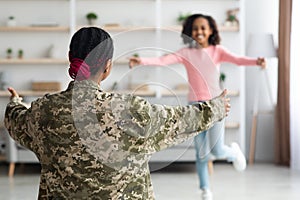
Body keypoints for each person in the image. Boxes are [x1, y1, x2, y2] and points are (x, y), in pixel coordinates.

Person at [4, 27, 230, 199]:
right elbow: (181, 120)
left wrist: (15, 101)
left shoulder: (43, 111)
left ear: (71, 58)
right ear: (108, 66)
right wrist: (218, 106)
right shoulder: (131, 110)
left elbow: (15, 120)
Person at [129, 13, 266, 200]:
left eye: (203, 28)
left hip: (216, 105)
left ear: (210, 31)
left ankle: (232, 151)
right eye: (195, 28)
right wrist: (142, 60)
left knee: (217, 151)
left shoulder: (217, 51)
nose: (199, 31)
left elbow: (238, 59)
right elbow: (163, 61)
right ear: (189, 32)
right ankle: (205, 190)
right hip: (194, 108)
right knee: (201, 153)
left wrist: (256, 61)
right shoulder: (186, 53)